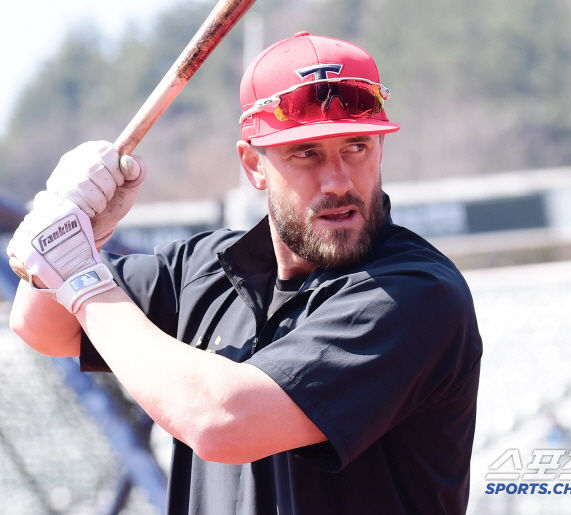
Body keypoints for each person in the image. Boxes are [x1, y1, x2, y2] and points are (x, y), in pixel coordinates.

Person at [7, 32, 482, 515]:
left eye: (355, 146)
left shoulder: (415, 294)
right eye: (307, 153)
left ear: (380, 148)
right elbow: (42, 327)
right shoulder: (202, 268)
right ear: (253, 163)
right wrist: (79, 225)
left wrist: (82, 277)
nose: (338, 180)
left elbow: (220, 420)